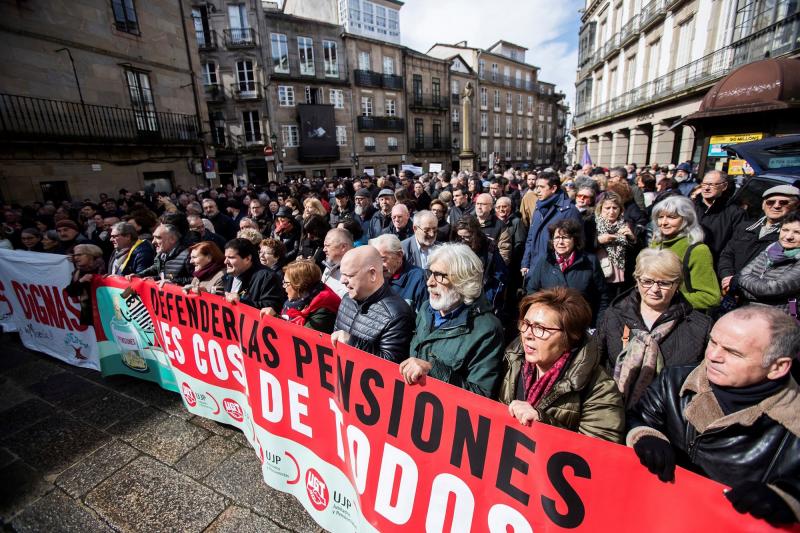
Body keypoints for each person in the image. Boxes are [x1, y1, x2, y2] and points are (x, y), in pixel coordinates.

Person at [627, 306, 800, 527]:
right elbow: (638, 418)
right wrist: (645, 435)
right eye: (712, 341)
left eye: (733, 352)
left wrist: (789, 499)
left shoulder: (794, 424)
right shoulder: (673, 381)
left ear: (778, 367)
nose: (713, 355)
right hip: (661, 517)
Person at [497, 287, 624, 443]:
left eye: (540, 328)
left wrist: (541, 423)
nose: (528, 334)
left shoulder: (600, 388)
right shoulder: (511, 361)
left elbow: (599, 451)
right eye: (526, 323)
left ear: (570, 336)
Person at [596, 249, 712, 405]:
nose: (655, 289)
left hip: (669, 411)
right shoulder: (613, 316)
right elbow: (594, 364)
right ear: (637, 280)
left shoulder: (700, 326)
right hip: (615, 408)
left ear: (677, 284)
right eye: (647, 281)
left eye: (664, 283)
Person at [401, 243, 504, 397]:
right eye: (430, 273)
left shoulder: (487, 331)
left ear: (463, 282)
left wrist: (432, 370)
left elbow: (480, 396)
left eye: (440, 276)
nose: (430, 283)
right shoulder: (426, 308)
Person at [331, 246, 414, 362]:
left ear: (372, 274)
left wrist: (352, 343)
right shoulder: (347, 299)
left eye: (350, 275)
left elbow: (389, 364)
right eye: (342, 274)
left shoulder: (397, 314)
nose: (342, 280)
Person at [718, 185, 799, 292]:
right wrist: (727, 277)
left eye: (783, 202)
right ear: (763, 205)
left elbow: (777, 286)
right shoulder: (744, 227)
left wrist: (737, 281)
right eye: (770, 202)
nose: (776, 206)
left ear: (796, 206)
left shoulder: (790, 238)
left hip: (760, 295)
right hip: (730, 289)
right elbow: (727, 254)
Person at [526, 219, 608, 325]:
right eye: (557, 237)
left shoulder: (590, 261)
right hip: (550, 324)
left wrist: (598, 325)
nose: (560, 242)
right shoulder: (545, 261)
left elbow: (603, 296)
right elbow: (532, 291)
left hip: (581, 324)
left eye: (565, 237)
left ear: (575, 240)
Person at [650, 195, 720, 311]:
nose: (664, 222)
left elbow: (710, 298)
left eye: (671, 217)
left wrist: (668, 300)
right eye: (660, 217)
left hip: (682, 316)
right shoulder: (655, 245)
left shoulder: (698, 250)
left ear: (686, 219)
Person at [736, 210, 800, 315]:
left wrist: (745, 287)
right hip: (747, 311)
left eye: (797, 232)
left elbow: (771, 289)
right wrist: (760, 292)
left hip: (777, 317)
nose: (788, 236)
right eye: (785, 230)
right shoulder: (770, 249)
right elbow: (742, 274)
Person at [521, 171, 581, 277]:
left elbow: (578, 244)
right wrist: (525, 263)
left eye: (541, 187)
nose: (537, 191)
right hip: (535, 268)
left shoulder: (569, 211)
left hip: (557, 272)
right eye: (537, 187)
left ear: (553, 188)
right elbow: (531, 238)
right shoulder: (538, 208)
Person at [265, 260, 341, 334]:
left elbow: (302, 336)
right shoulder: (303, 299)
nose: (283, 286)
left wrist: (275, 317)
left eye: (286, 283)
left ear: (299, 284)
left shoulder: (324, 308)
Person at [454, 216, 508, 313]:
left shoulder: (489, 248)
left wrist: (488, 300)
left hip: (484, 294)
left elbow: (500, 276)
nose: (463, 240)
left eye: (467, 237)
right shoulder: (457, 245)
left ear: (475, 234)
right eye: (460, 237)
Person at [693, 170, 746, 266]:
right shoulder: (691, 207)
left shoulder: (735, 213)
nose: (706, 188)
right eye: (704, 184)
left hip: (716, 266)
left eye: (712, 185)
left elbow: (737, 245)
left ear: (724, 186)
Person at [222, 238, 286, 314]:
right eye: (226, 257)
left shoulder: (268, 277)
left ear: (247, 259)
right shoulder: (229, 276)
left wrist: (241, 302)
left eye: (231, 257)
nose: (225, 261)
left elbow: (272, 308)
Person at [594, 191, 635, 299]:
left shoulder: (627, 224)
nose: (611, 211)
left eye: (615, 208)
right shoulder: (592, 225)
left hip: (624, 276)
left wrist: (632, 238)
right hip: (602, 274)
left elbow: (635, 252)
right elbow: (585, 247)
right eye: (607, 208)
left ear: (620, 209)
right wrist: (598, 241)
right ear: (600, 209)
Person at [371, 234, 428, 311]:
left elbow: (424, 315)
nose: (378, 265)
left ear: (399, 255)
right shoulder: (373, 277)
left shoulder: (418, 278)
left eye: (383, 259)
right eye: (375, 260)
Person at [65, 243, 106, 326]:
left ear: (90, 255)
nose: (76, 258)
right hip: (89, 315)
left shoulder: (104, 268)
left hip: (105, 314)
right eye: (75, 255)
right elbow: (71, 292)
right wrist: (81, 281)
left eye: (79, 255)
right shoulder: (78, 271)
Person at [321, 227, 353, 298]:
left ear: (343, 247)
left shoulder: (357, 270)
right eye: (324, 246)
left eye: (327, 245)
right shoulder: (329, 265)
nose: (324, 249)